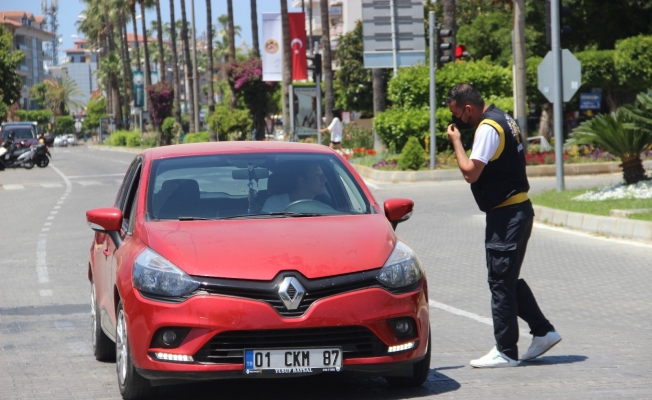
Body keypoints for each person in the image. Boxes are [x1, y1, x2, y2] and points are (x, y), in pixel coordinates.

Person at [445, 82, 561, 368]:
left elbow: (471, 173)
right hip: (518, 211)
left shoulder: (487, 127)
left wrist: (457, 142)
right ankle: (544, 332)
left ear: (468, 109)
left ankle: (506, 351)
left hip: (507, 216)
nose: (457, 120)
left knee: (499, 282)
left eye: (458, 114)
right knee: (507, 279)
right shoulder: (504, 119)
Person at [261, 162, 327, 212]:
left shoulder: (325, 205)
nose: (324, 179)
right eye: (317, 174)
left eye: (322, 175)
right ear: (302, 181)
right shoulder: (274, 204)